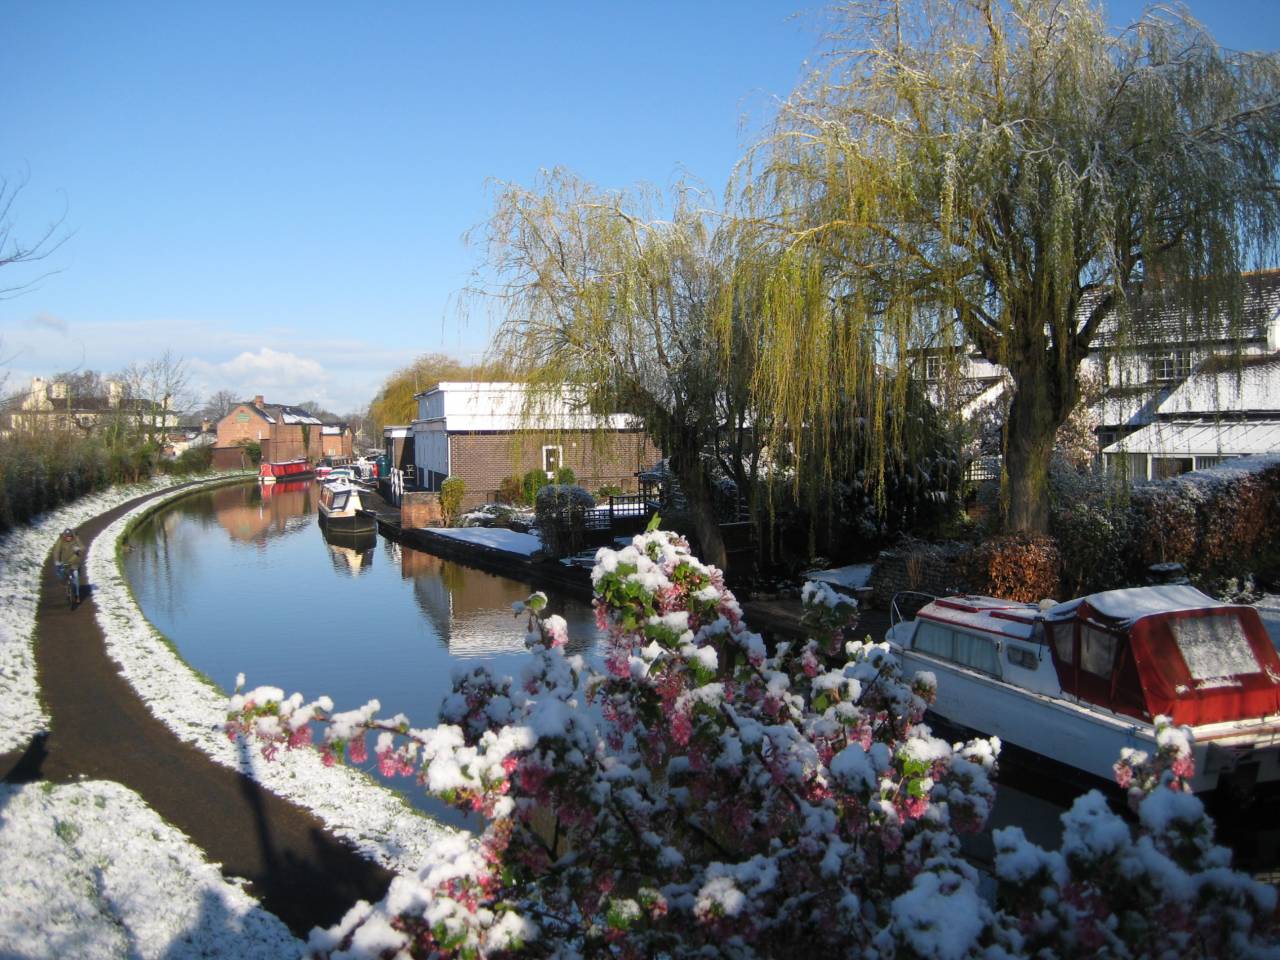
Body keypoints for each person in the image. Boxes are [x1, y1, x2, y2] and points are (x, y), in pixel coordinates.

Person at [53, 528, 85, 602]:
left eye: (70, 536)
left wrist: (78, 549)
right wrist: (57, 561)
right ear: (64, 536)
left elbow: (83, 547)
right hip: (63, 562)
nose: (69, 537)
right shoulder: (60, 540)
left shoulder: (76, 539)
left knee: (76, 578)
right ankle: (66, 586)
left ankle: (77, 595)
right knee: (61, 575)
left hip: (74, 562)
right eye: (67, 536)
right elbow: (56, 551)